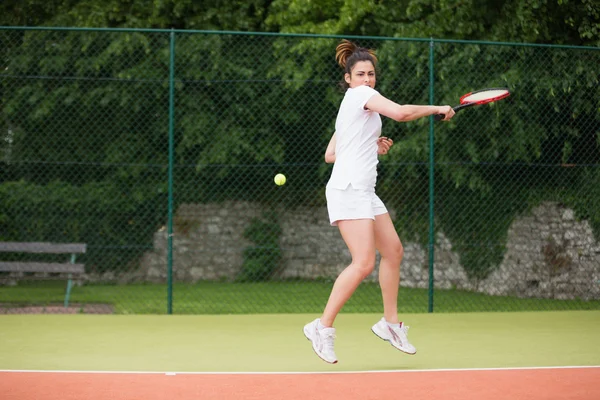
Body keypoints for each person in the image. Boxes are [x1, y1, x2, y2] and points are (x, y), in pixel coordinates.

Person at [303, 39, 455, 364]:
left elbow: (331, 154)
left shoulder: (356, 105)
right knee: (363, 262)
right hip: (348, 190)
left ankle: (389, 323)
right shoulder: (360, 96)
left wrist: (372, 147)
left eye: (371, 74)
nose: (367, 80)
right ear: (348, 79)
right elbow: (400, 113)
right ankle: (321, 327)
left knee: (394, 252)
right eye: (360, 74)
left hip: (364, 191)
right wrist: (438, 108)